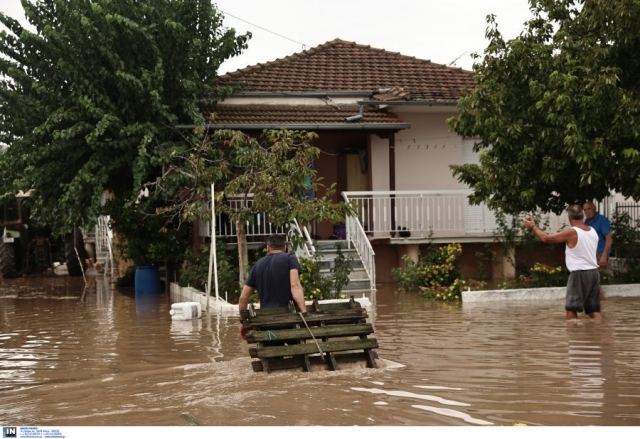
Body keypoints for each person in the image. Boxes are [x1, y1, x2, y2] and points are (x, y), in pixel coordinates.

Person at [523, 204, 602, 320]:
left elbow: (546, 238)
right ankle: (599, 331)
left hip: (579, 274)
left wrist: (533, 227)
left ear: (569, 218)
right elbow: (595, 254)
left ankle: (573, 337)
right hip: (594, 273)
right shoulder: (592, 231)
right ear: (583, 216)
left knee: (571, 309)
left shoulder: (572, 232)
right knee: (594, 310)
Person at [238, 234, 307, 338]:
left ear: (268, 247)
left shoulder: (258, 265)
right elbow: (295, 286)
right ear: (285, 247)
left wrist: (243, 321)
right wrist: (305, 314)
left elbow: (243, 297)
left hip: (266, 324)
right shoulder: (290, 259)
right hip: (288, 321)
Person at [582, 201, 613, 268]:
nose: (587, 212)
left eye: (589, 209)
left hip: (601, 256)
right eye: (585, 210)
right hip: (590, 256)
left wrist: (604, 256)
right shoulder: (586, 222)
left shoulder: (602, 220)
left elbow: (609, 239)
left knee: (602, 277)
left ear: (594, 208)